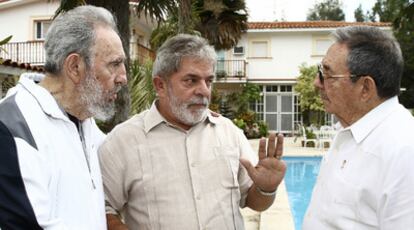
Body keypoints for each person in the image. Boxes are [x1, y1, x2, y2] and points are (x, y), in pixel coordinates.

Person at [98, 34, 287, 230]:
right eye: (191, 80)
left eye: (209, 81)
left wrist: (266, 188)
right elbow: (102, 209)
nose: (204, 91)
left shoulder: (229, 133)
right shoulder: (123, 141)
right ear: (160, 85)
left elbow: (253, 201)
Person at [0, 5, 127, 229]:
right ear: (75, 67)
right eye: (114, 64)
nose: (123, 78)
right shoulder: (12, 127)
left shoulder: (83, 121)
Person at [303, 26, 414, 229]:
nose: (316, 82)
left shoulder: (404, 151)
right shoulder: (348, 131)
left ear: (365, 88)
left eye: (327, 75)